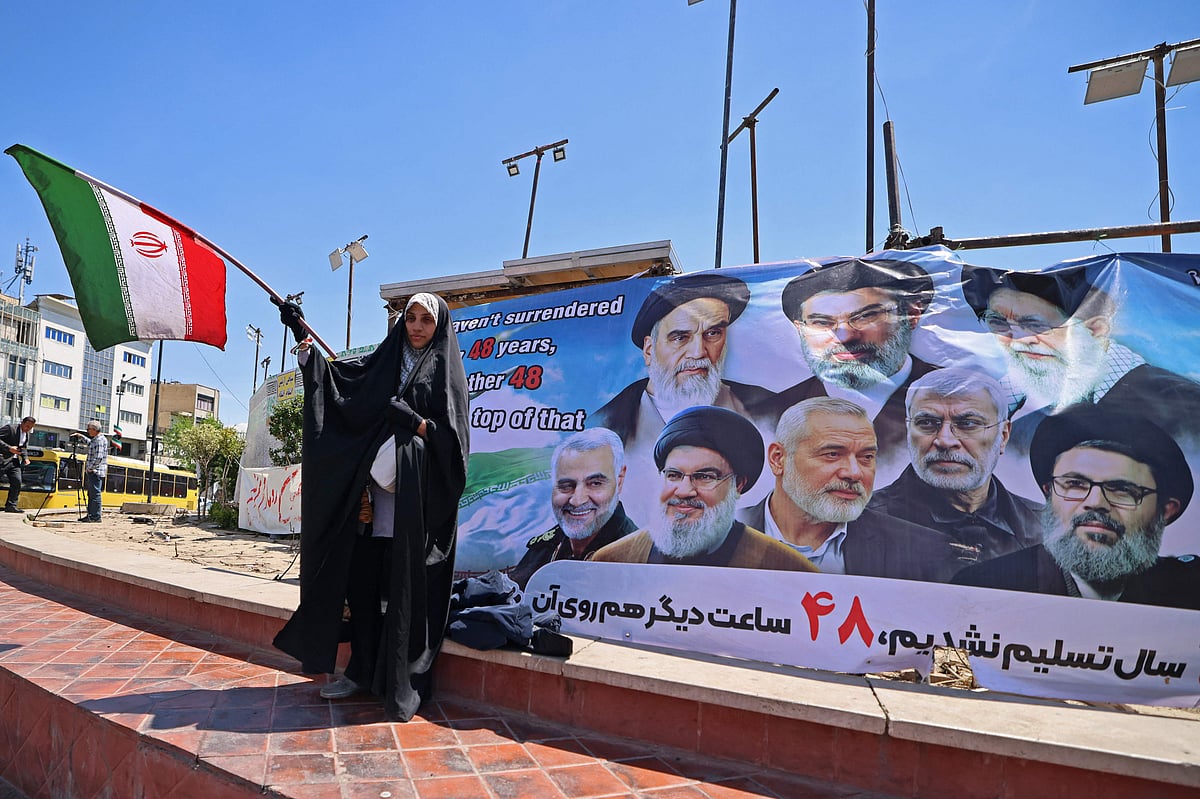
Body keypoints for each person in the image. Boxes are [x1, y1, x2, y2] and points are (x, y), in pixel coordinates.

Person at [272, 292, 470, 721]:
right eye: (411, 318)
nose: (417, 327)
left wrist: (417, 425)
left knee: (400, 597)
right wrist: (302, 338)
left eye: (426, 321)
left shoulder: (446, 375)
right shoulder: (384, 361)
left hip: (414, 513)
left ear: (439, 327)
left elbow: (454, 452)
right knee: (362, 594)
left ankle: (397, 683)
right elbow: (342, 387)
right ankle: (358, 673)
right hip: (368, 509)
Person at [953, 406, 1200, 610]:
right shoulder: (981, 589)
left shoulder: (1191, 592)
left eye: (1122, 490)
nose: (1095, 503)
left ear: (1166, 510)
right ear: (1049, 493)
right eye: (1075, 484)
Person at [960, 263, 1200, 451]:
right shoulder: (1011, 406)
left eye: (1036, 325)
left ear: (1095, 330)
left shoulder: (1182, 405)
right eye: (998, 323)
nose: (1017, 340)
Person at [737, 398, 960, 582]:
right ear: (778, 459)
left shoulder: (923, 553)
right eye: (832, 454)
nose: (854, 473)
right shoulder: (717, 535)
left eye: (866, 457)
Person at [767, 258, 940, 484]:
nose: (845, 336)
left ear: (911, 314)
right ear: (800, 330)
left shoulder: (965, 399)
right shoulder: (771, 415)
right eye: (821, 322)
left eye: (865, 316)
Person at [591, 406, 817, 571]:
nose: (683, 490)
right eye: (674, 475)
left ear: (738, 485)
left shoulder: (787, 569)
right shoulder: (613, 561)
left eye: (705, 476)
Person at [869, 369, 1042, 565]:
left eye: (968, 423)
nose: (945, 440)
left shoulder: (1050, 530)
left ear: (1003, 436)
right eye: (926, 422)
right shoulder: (856, 526)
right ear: (909, 430)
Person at [508, 428, 638, 588]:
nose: (577, 500)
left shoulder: (637, 560)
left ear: (619, 480)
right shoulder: (545, 548)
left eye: (595, 483)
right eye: (566, 485)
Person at [0, 416, 35, 513]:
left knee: (17, 481)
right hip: (3, 459)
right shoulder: (10, 428)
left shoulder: (26, 434)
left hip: (14, 461)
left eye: (30, 427)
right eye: (27, 426)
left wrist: (26, 458)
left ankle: (11, 505)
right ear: (22, 423)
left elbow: (23, 448)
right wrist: (9, 448)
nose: (28, 429)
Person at [82, 420, 107, 522]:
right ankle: (90, 514)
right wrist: (81, 436)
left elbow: (99, 457)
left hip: (96, 471)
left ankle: (95, 516)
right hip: (93, 470)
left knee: (95, 494)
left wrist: (90, 468)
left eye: (89, 429)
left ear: (94, 429)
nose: (87, 431)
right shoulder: (96, 439)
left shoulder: (100, 440)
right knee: (91, 494)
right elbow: (91, 444)